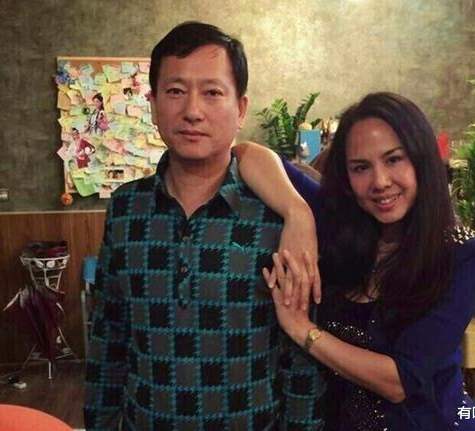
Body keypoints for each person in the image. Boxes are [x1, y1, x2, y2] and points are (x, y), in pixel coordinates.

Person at [83, 21, 324, 431]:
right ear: (153, 103)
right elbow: (109, 338)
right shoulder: (125, 208)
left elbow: (300, 359)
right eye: (175, 91)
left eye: (212, 93)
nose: (193, 111)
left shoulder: (275, 217)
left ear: (240, 109)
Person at [233, 92, 475, 430]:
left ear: (422, 161)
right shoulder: (340, 223)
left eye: (394, 159)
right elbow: (246, 152)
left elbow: (400, 381)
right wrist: (297, 214)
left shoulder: (464, 254)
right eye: (361, 167)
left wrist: (303, 330)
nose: (380, 182)